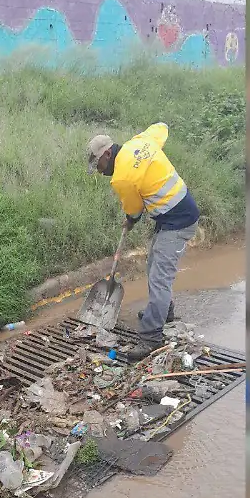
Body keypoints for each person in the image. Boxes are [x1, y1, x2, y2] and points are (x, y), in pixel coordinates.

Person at [87, 123, 199, 359]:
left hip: (179, 221)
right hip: (173, 213)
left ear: (107, 154)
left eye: (98, 164)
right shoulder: (139, 142)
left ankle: (151, 338)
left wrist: (129, 221)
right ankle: (164, 312)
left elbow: (134, 209)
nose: (98, 170)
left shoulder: (122, 178)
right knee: (153, 265)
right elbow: (161, 128)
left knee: (160, 278)